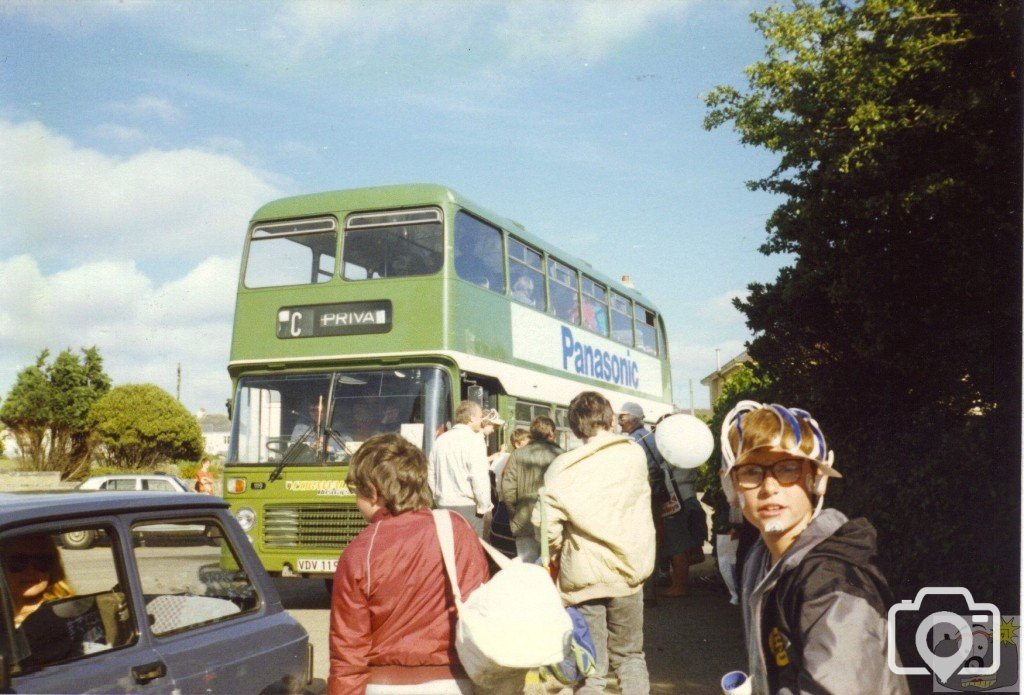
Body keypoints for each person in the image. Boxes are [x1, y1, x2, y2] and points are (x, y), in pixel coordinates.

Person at [721, 401, 909, 694]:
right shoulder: (761, 559)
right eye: (751, 471)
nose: (769, 487)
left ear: (816, 479)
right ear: (732, 486)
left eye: (787, 468)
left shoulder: (831, 583)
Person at [328, 434, 490, 694]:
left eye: (355, 490)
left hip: (383, 685)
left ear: (372, 491)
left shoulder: (360, 552)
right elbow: (480, 608)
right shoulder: (456, 528)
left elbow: (348, 653)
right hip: (455, 682)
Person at [535, 391, 654, 695]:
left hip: (583, 576)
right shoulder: (633, 455)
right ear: (612, 419)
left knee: (592, 670)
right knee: (630, 657)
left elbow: (544, 523)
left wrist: (558, 546)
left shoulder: (563, 466)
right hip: (628, 570)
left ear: (574, 427)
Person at [500, 415, 564, 563]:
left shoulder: (517, 454)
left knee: (526, 564)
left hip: (524, 520)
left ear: (532, 434)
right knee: (551, 566)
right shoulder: (561, 456)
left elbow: (508, 488)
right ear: (551, 434)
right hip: (553, 523)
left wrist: (515, 513)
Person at [426, 400, 492, 537]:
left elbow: (431, 473)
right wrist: (484, 506)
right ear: (472, 418)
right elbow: (479, 478)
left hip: (443, 506)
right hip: (468, 508)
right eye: (480, 417)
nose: (481, 422)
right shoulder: (474, 441)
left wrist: (438, 498)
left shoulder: (440, 440)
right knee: (470, 553)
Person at [487, 427, 530, 558]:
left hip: (502, 509)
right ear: (517, 444)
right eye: (528, 442)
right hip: (508, 511)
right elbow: (506, 476)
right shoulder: (515, 457)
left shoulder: (505, 458)